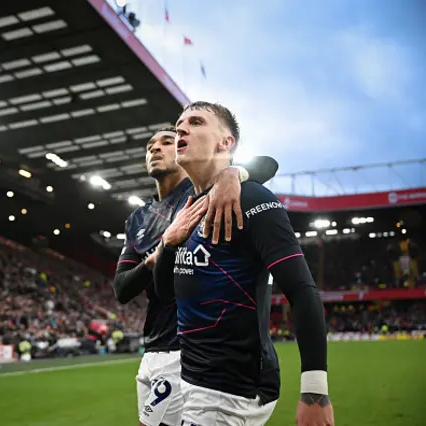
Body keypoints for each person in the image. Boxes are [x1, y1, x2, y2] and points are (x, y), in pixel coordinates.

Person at [153, 102, 333, 426]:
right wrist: (168, 244)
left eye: (195, 122)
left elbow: (302, 290)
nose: (181, 129)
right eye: (179, 123)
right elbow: (165, 294)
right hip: (190, 379)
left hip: (229, 391)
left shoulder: (253, 199)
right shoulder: (186, 209)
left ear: (226, 142)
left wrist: (314, 390)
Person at [113, 126, 279, 426]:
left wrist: (232, 174)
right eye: (150, 145)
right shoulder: (137, 219)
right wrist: (158, 254)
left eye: (167, 142)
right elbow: (122, 288)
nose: (155, 148)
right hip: (151, 349)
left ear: (182, 151)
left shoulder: (202, 192)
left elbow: (268, 164)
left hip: (187, 350)